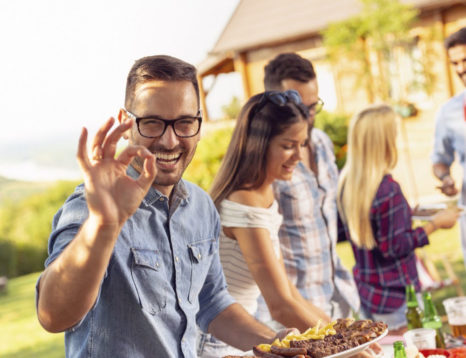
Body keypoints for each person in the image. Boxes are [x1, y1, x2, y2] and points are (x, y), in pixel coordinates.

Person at [35, 55, 293, 358]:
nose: (170, 141)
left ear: (198, 122)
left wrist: (275, 342)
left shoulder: (200, 206)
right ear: (125, 121)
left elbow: (212, 303)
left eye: (184, 123)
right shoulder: (88, 208)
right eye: (153, 123)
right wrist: (103, 226)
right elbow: (52, 316)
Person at [197, 90, 332, 357]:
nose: (298, 156)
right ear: (258, 144)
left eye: (301, 144)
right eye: (287, 145)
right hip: (216, 342)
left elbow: (290, 293)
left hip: (239, 335)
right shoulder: (243, 203)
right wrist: (344, 346)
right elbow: (280, 305)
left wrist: (346, 336)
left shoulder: (263, 194)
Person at [337, 104, 459, 333]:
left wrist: (408, 214)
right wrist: (435, 224)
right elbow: (394, 246)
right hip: (399, 298)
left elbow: (373, 228)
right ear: (383, 142)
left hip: (369, 294)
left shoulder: (349, 184)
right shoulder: (387, 189)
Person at [259, 52, 360, 320]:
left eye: (314, 106)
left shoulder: (323, 144)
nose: (309, 116)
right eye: (301, 108)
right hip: (293, 314)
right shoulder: (265, 162)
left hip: (336, 298)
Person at [431, 27, 466, 267]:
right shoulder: (449, 112)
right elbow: (439, 159)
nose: (460, 69)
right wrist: (445, 178)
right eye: (455, 63)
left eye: (465, 60)